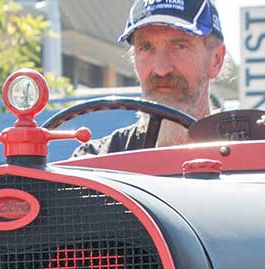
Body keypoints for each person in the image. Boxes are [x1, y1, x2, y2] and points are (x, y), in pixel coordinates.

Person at [72, 0, 227, 156]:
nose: (161, 70)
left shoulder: (245, 156)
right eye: (146, 47)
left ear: (216, 60)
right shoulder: (97, 161)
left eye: (179, 46)